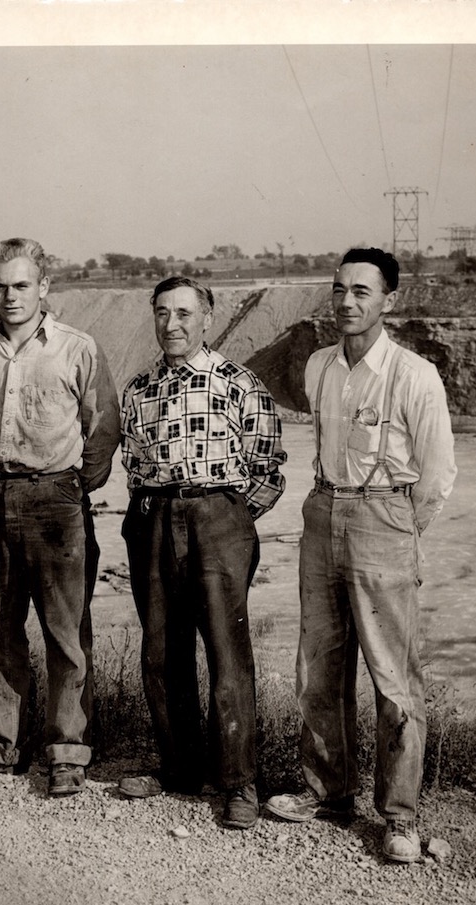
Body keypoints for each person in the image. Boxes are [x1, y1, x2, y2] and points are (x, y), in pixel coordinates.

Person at [266, 247, 457, 862]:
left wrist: (398, 527)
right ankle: (327, 791)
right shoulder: (321, 364)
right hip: (322, 512)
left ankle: (399, 815)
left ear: (389, 301)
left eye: (363, 292)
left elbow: (437, 476)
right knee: (318, 666)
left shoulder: (413, 374)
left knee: (393, 676)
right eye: (340, 289)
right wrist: (337, 510)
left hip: (385, 516)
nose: (347, 302)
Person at [0, 238, 120, 795]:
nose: (9, 295)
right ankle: (0, 744)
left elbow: (104, 428)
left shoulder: (77, 347)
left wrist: (69, 486)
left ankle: (67, 752)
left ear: (44, 287)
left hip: (56, 503)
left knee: (66, 632)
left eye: (21, 285)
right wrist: (0, 476)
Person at [117, 276, 286, 829]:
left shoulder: (239, 384)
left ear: (208, 317)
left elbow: (268, 469)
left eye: (185, 313)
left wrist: (231, 520)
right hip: (153, 517)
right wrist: (154, 517)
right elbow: (134, 467)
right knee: (162, 653)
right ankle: (180, 770)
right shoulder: (138, 389)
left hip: (219, 519)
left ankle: (237, 782)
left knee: (226, 652)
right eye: (162, 313)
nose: (173, 324)